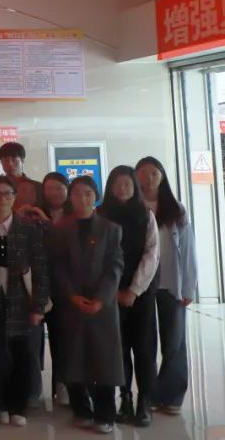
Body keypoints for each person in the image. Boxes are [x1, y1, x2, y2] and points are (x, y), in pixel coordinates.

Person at [52, 176, 124, 433]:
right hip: (71, 304)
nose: (82, 198)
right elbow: (57, 266)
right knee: (73, 356)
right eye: (77, 193)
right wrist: (72, 296)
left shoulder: (111, 228)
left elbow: (115, 266)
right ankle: (81, 408)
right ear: (70, 197)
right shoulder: (61, 228)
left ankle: (105, 414)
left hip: (102, 306)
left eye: (88, 193)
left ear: (96, 197)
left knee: (104, 359)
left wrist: (101, 299)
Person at [0, 175, 50, 427]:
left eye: (8, 194)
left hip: (21, 300)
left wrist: (38, 306)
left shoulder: (28, 229)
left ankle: (17, 406)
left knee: (21, 355)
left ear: (14, 198)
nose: (3, 198)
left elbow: (40, 269)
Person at [136, 157, 196, 416]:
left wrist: (189, 287)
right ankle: (149, 394)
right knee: (145, 341)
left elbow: (189, 250)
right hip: (142, 284)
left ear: (162, 176)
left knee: (174, 342)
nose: (149, 178)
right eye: (143, 173)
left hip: (171, 284)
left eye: (154, 173)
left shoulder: (176, 209)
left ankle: (172, 395)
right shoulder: (133, 208)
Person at [100, 165, 160, 427]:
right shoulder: (101, 216)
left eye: (127, 183)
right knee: (119, 348)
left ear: (135, 187)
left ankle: (144, 402)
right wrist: (112, 290)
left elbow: (152, 254)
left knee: (144, 349)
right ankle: (124, 398)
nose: (122, 188)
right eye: (117, 183)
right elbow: (97, 258)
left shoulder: (146, 216)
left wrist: (134, 290)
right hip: (110, 293)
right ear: (110, 187)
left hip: (141, 293)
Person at [35, 172, 72, 405]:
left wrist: (48, 224)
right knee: (35, 337)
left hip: (66, 286)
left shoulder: (75, 214)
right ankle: (34, 385)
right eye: (49, 188)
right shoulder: (35, 214)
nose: (54, 193)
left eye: (59, 188)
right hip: (40, 283)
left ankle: (63, 384)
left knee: (62, 337)